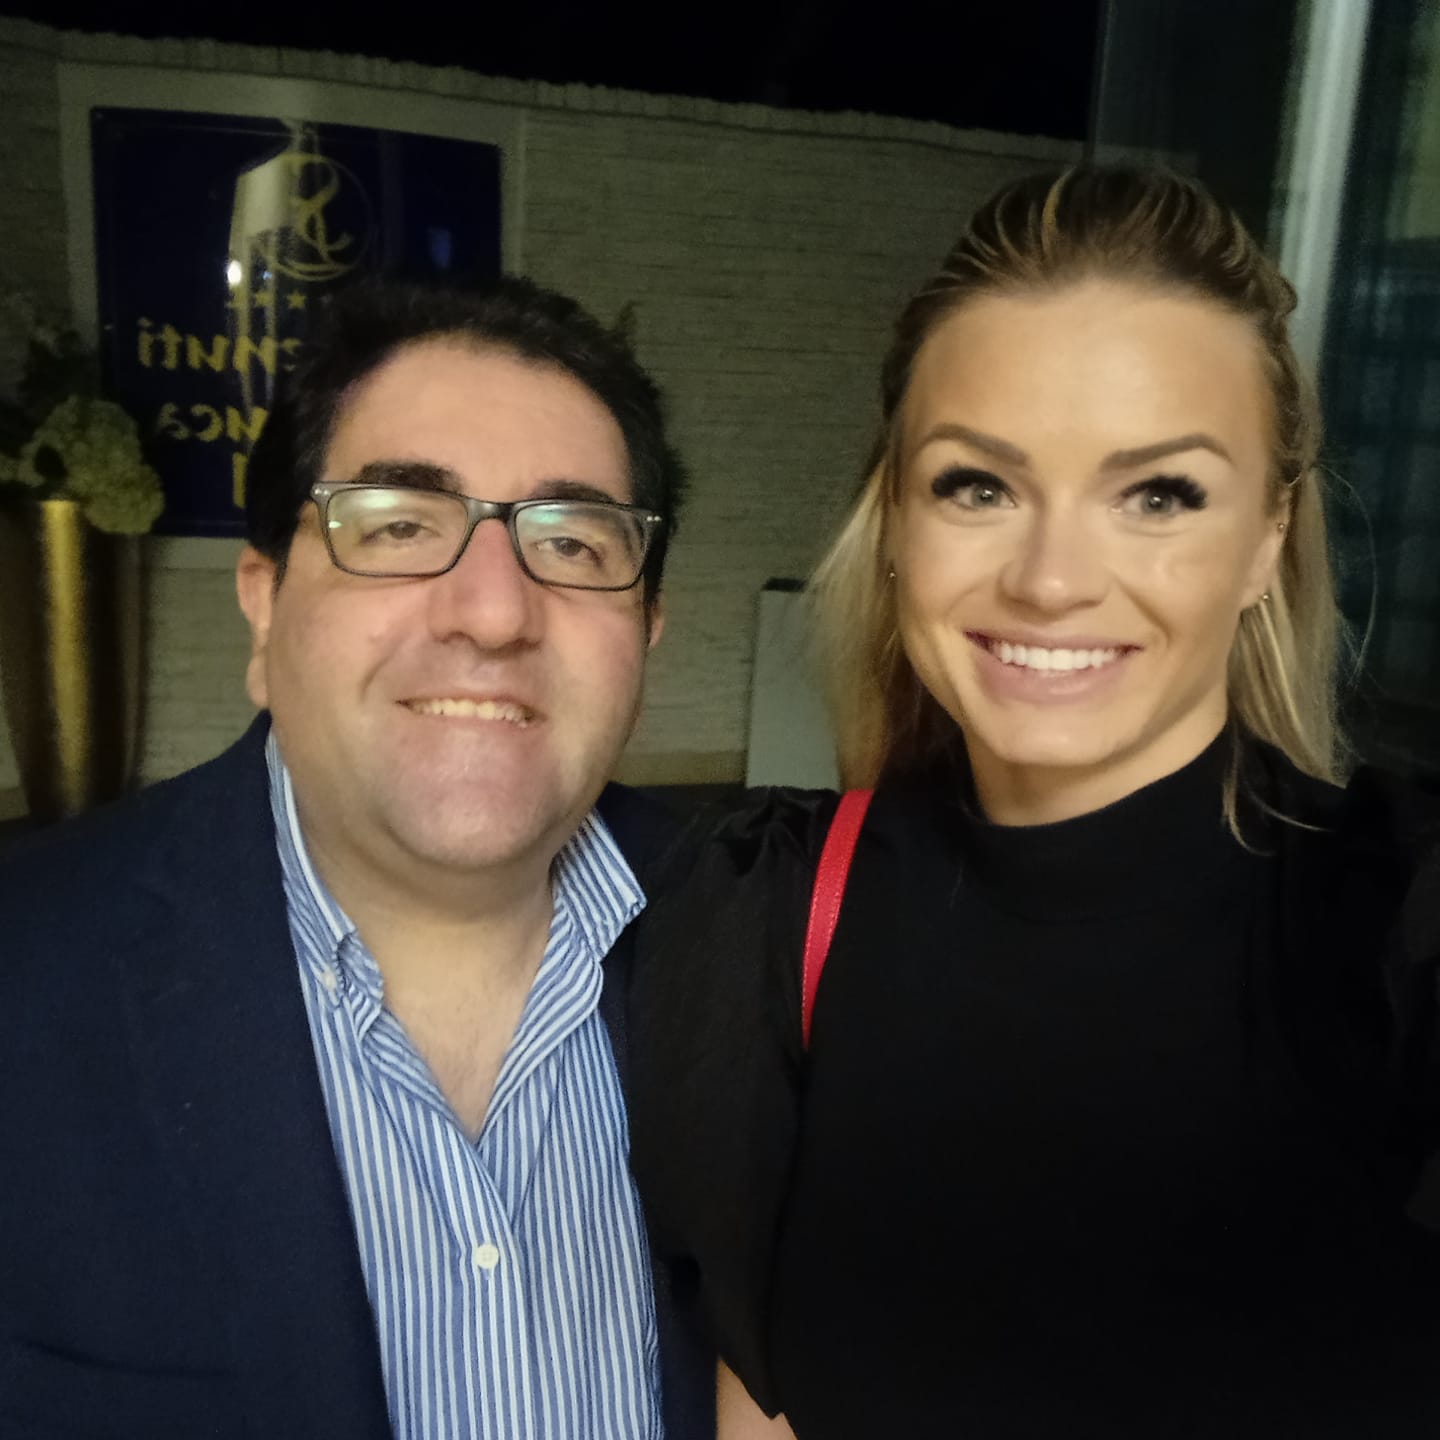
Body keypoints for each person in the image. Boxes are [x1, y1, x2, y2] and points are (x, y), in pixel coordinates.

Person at [627, 166, 1440, 1439]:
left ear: (1268, 539)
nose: (1052, 580)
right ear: (896, 518)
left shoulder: (1399, 926)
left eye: (1159, 495)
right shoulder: (762, 916)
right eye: (978, 485)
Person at [0, 275, 715, 1439]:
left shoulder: (770, 943)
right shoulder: (23, 980)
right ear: (264, 606)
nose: (494, 613)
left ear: (647, 632)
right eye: (398, 526)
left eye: (574, 543)